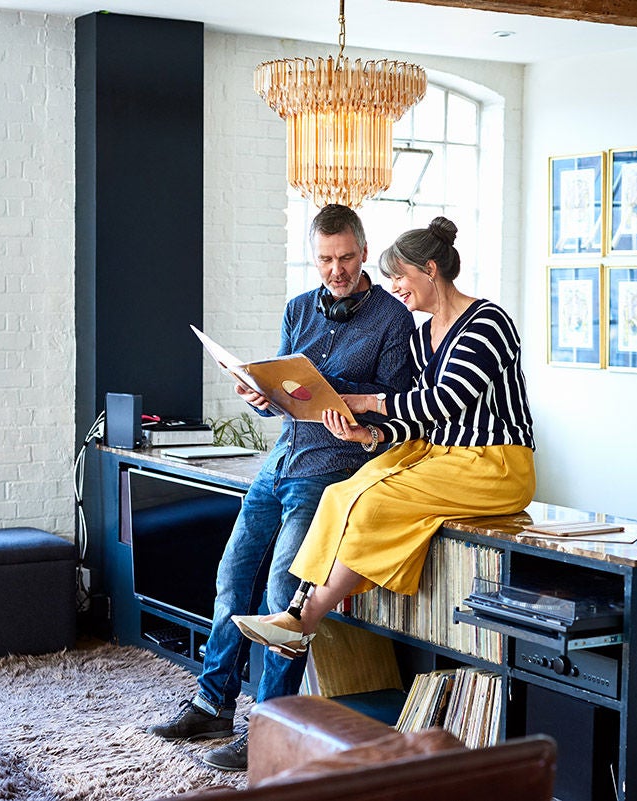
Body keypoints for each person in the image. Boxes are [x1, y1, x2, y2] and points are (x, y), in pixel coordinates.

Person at [147, 204, 415, 771]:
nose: (336, 270)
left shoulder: (394, 320)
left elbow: (395, 405)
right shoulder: (297, 309)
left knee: (281, 598)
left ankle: (270, 728)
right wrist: (261, 396)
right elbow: (284, 400)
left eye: (346, 258)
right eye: (325, 260)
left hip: (332, 470)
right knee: (231, 578)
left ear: (365, 253)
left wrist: (336, 397)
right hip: (281, 461)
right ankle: (212, 704)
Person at [232, 216, 535, 655]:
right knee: (340, 494)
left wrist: (368, 402)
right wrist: (368, 434)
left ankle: (303, 619)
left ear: (430, 270)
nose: (394, 287)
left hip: (494, 462)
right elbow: (417, 421)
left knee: (372, 502)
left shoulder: (487, 323)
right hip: (436, 453)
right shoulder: (423, 338)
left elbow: (442, 402)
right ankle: (297, 612)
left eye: (399, 276)